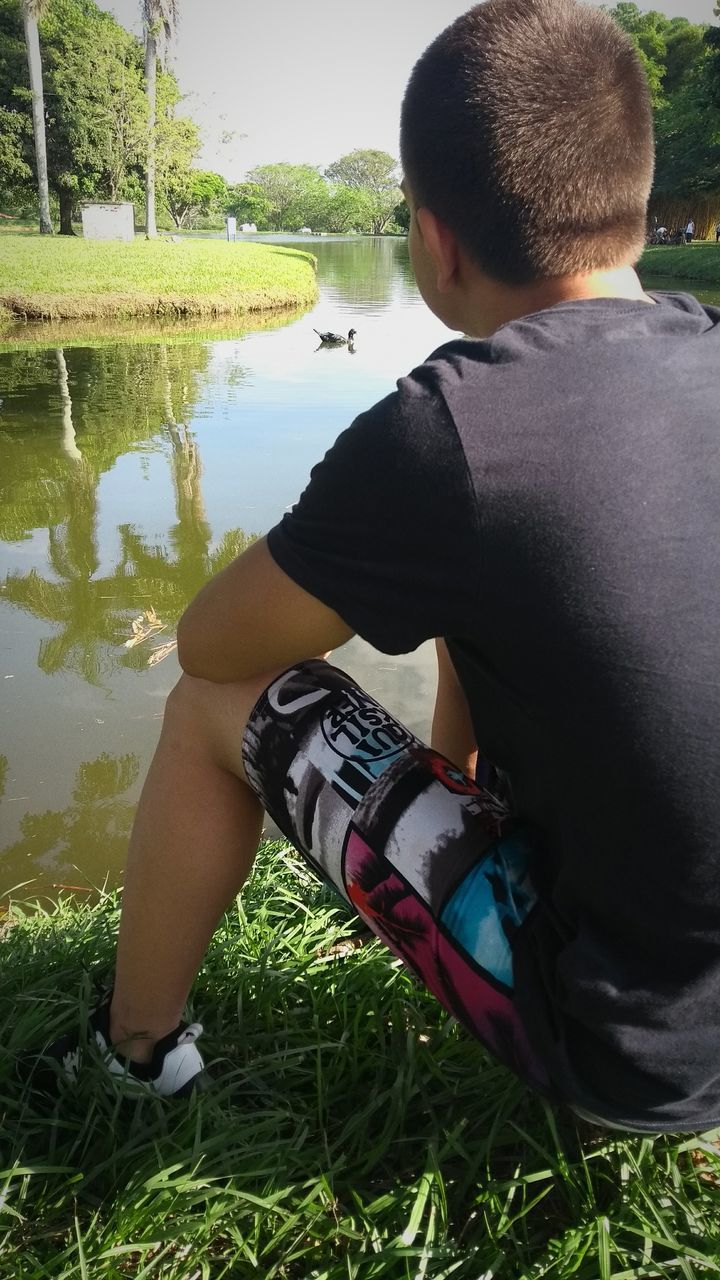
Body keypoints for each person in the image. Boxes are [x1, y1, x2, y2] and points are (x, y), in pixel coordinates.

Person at [32, 0, 720, 1133]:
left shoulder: (453, 429)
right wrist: (453, 775)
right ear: (638, 205)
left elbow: (210, 644)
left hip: (627, 1051)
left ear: (434, 237)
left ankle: (133, 1051)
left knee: (218, 700)